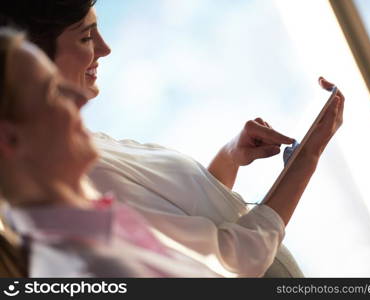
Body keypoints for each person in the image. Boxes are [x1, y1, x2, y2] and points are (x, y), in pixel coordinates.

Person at [0, 1, 344, 277]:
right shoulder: (85, 190)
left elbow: (191, 224)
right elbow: (227, 262)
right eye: (87, 37)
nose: (105, 48)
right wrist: (308, 159)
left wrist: (229, 157)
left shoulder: (91, 163)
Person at [0, 28, 219, 277]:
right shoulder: (94, 269)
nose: (82, 97)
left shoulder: (102, 231)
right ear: (8, 138)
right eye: (52, 91)